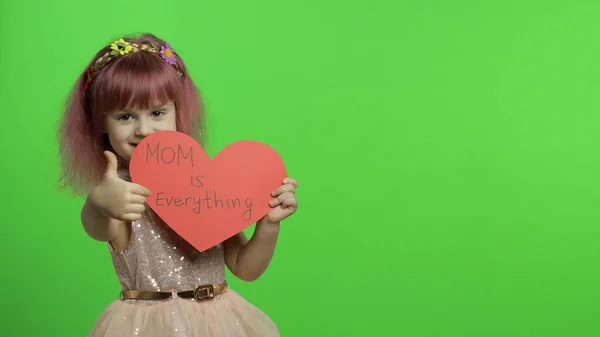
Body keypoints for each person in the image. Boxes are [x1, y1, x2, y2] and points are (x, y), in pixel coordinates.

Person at [57, 33, 298, 336]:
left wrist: (268, 225)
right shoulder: (119, 190)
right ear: (102, 122)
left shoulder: (204, 184)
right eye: (125, 116)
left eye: (157, 113)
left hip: (219, 322)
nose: (144, 129)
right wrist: (98, 203)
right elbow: (98, 227)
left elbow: (245, 267)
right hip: (146, 326)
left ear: (176, 111)